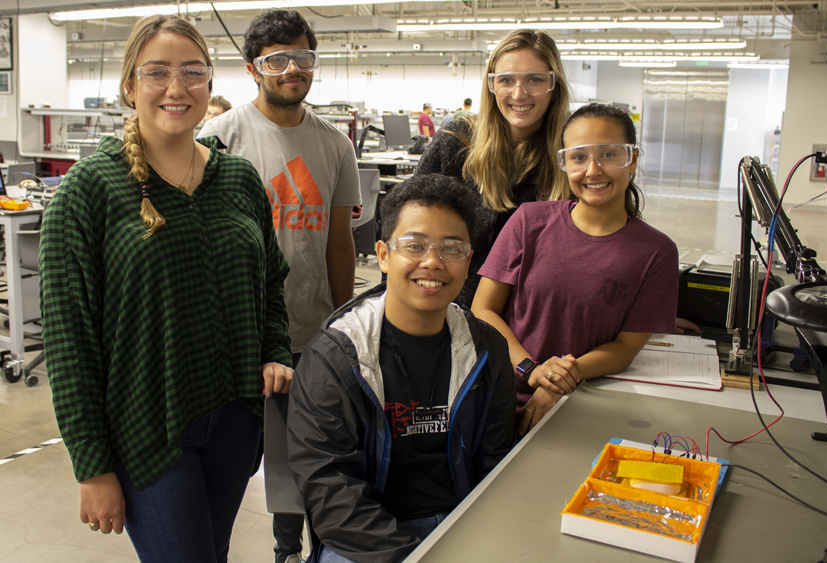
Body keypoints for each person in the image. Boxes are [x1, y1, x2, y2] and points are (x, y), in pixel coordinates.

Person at [39, 15, 293, 563]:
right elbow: (68, 341)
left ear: (209, 85)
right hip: (147, 430)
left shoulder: (239, 179)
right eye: (157, 72)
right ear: (129, 85)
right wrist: (91, 464)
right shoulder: (90, 191)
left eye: (192, 72)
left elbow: (271, 282)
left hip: (233, 422)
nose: (176, 88)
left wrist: (273, 349)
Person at [199, 9, 360, 563]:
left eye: (303, 57)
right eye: (277, 60)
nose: (293, 69)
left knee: (310, 449)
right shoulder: (219, 139)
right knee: (236, 449)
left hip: (312, 329)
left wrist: (346, 324)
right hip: (236, 333)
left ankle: (293, 549)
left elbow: (341, 241)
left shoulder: (336, 145)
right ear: (253, 69)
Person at [287, 173, 516, 563]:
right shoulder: (336, 356)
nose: (432, 262)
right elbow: (330, 490)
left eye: (451, 248)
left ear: (468, 261)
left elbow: (496, 463)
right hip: (366, 538)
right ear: (383, 255)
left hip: (462, 523)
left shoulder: (485, 348)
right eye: (414, 245)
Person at [471, 103, 679, 436]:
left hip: (585, 403)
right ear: (565, 164)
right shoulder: (529, 221)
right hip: (499, 396)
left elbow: (625, 347)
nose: (593, 170)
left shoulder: (656, 252)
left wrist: (560, 378)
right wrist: (533, 371)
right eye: (579, 157)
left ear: (633, 160)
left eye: (609, 155)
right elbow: (483, 309)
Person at [414, 29, 571, 308]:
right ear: (491, 85)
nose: (519, 94)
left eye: (534, 79)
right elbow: (408, 226)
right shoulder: (457, 141)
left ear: (553, 84)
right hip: (451, 312)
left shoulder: (571, 154)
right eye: (506, 80)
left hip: (532, 318)